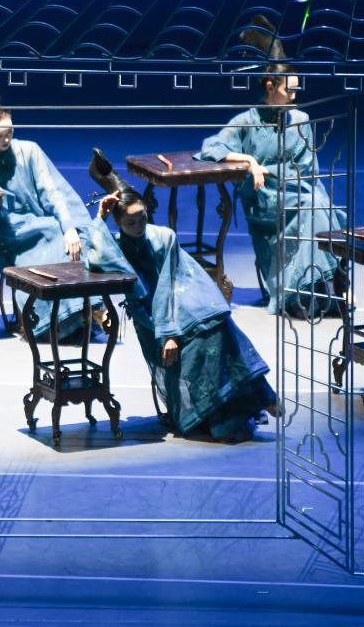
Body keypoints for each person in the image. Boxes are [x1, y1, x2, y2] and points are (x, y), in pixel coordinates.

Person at [84, 162, 279, 442]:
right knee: (213, 415)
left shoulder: (163, 237)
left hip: (189, 301)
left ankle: (260, 397)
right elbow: (94, 256)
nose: (138, 227)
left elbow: (167, 285)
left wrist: (170, 334)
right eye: (130, 223)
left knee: (216, 333)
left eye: (142, 218)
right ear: (118, 222)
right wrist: (100, 217)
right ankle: (222, 415)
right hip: (152, 314)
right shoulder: (116, 245)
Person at [197, 16, 346, 317]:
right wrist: (248, 160)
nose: (294, 97)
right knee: (316, 207)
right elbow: (210, 147)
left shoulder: (301, 120)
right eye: (289, 91)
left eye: (296, 91)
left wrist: (274, 172)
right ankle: (308, 291)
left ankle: (314, 289)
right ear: (269, 86)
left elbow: (308, 170)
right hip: (263, 199)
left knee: (320, 207)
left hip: (299, 192)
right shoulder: (247, 121)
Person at [0, 67, 93, 339]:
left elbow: (52, 192)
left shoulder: (29, 150)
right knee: (46, 251)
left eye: (10, 132)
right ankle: (56, 321)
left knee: (70, 241)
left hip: (43, 225)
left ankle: (77, 316)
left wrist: (68, 226)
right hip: (13, 236)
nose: (6, 139)